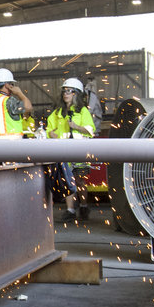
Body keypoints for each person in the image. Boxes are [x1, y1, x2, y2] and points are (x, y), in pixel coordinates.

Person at [47, 78, 96, 222]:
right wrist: (51, 134)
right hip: (64, 152)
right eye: (64, 91)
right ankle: (70, 210)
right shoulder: (57, 113)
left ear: (76, 94)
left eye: (69, 91)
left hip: (79, 151)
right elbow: (49, 129)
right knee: (67, 181)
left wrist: (76, 126)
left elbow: (90, 131)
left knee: (80, 181)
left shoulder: (83, 112)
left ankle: (84, 206)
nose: (65, 94)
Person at [0, 68, 32, 138]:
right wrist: (20, 93)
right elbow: (28, 107)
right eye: (12, 84)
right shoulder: (8, 101)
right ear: (7, 85)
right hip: (10, 143)